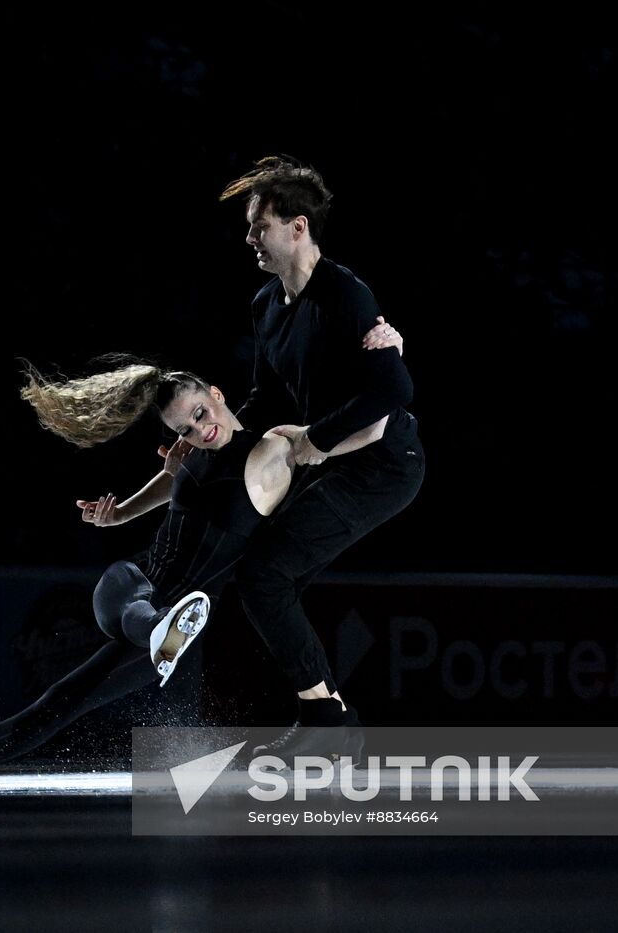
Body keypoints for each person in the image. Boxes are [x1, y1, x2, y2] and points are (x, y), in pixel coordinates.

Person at [0, 336, 400, 784]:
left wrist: (389, 356)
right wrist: (118, 518)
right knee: (123, 587)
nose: (198, 429)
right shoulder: (189, 455)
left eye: (199, 413)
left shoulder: (275, 448)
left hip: (173, 613)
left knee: (61, 700)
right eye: (184, 428)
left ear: (215, 393)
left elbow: (372, 425)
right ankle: (161, 629)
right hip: (135, 588)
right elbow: (172, 484)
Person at [219, 155, 425, 745]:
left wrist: (313, 440)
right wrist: (209, 437)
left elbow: (394, 389)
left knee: (264, 578)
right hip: (331, 463)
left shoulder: (346, 294)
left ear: (298, 227)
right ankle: (329, 716)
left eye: (260, 225)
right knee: (265, 579)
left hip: (384, 466)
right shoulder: (265, 306)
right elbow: (263, 398)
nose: (250, 237)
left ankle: (326, 722)